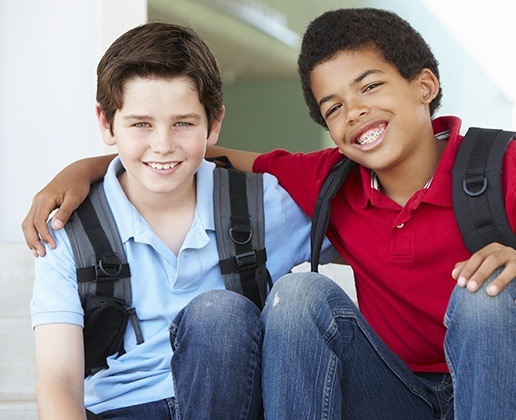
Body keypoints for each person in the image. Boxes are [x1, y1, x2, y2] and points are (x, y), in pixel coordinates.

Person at [21, 9, 516, 420]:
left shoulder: (506, 167)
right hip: (396, 393)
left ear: (424, 85)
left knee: (485, 291)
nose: (355, 111)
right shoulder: (328, 182)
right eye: (334, 107)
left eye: (371, 86)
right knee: (298, 296)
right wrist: (88, 167)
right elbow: (192, 156)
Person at [30, 22, 336, 419]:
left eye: (183, 123)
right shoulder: (68, 230)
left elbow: (370, 233)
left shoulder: (264, 205)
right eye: (141, 124)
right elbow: (59, 383)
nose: (162, 144)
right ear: (107, 123)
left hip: (235, 403)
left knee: (219, 315)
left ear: (214, 123)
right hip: (122, 409)